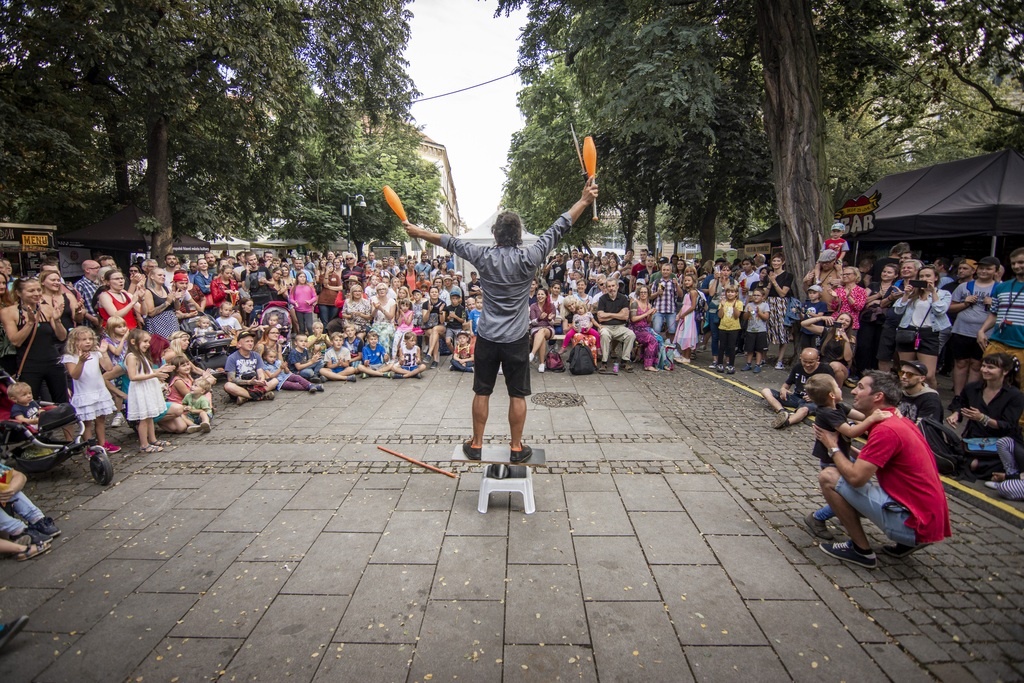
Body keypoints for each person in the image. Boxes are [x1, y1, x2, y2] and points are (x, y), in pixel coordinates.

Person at [403, 178, 598, 462]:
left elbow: (449, 241)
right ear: (519, 234)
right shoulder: (531, 255)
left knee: (482, 391)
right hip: (516, 338)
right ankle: (516, 447)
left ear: (495, 234)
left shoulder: (482, 255)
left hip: (488, 336)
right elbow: (560, 226)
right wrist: (584, 200)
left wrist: (418, 231)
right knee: (517, 395)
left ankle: (476, 444)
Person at [815, 371, 952, 567]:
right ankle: (906, 543)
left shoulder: (885, 430)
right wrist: (847, 450)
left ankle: (861, 551)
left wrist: (832, 447)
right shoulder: (896, 420)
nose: (853, 391)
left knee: (829, 476)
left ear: (878, 396)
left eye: (860, 387)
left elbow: (855, 478)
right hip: (927, 518)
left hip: (915, 523)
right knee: (849, 478)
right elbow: (871, 459)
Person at [802, 374, 888, 540]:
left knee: (857, 492)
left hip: (845, 455)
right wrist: (873, 418)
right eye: (837, 387)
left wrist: (876, 414)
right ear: (832, 395)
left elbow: (861, 417)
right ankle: (818, 517)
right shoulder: (828, 413)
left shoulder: (839, 407)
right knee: (850, 497)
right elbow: (851, 432)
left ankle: (845, 513)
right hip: (833, 462)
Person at [947, 352, 1024, 478]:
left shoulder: (1015, 395)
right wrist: (956, 414)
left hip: (1001, 444)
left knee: (974, 465)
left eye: (990, 367)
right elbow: (961, 404)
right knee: (955, 459)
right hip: (974, 439)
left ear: (1005, 371)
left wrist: (983, 418)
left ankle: (1008, 473)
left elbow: (1008, 425)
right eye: (983, 366)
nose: (984, 370)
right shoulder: (972, 388)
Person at [2, 278, 69, 402]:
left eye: (39, 290)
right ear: (18, 293)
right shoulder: (8, 312)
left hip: (52, 361)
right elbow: (16, 341)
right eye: (31, 291)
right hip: (29, 364)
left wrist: (57, 321)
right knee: (29, 402)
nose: (37, 293)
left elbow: (62, 337)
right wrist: (30, 323)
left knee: (62, 401)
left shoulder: (47, 309)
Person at [62, 326, 119, 453]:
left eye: (90, 339)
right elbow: (75, 375)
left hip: (99, 392)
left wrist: (104, 353)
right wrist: (81, 361)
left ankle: (102, 443)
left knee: (101, 419)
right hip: (84, 393)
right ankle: (91, 447)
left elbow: (109, 368)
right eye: (83, 339)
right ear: (74, 341)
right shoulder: (70, 357)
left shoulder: (96, 353)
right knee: (87, 423)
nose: (88, 342)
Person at [893, 265, 951, 388]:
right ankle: (905, 396)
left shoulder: (943, 293)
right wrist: (906, 294)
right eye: (921, 276)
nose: (924, 278)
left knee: (928, 375)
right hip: (908, 331)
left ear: (936, 277)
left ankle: (930, 397)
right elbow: (897, 310)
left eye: (928, 276)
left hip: (929, 333)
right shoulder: (913, 293)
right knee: (906, 372)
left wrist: (933, 292)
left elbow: (940, 310)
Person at [977, 247, 1024, 388]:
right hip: (998, 342)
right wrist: (982, 330)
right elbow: (994, 313)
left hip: (1021, 345)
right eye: (1013, 263)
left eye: (1021, 262)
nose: (1016, 266)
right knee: (988, 382)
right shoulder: (1002, 287)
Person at [124, 329, 173, 453]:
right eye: (145, 341)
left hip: (147, 388)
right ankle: (144, 444)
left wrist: (160, 370)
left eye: (148, 341)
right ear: (133, 342)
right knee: (144, 418)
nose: (148, 344)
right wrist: (154, 375)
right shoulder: (132, 357)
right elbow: (133, 376)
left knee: (150, 416)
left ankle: (153, 439)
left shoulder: (142, 355)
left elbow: (145, 372)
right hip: (140, 389)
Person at [761, 348, 835, 429]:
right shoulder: (798, 367)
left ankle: (786, 422)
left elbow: (832, 388)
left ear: (818, 359)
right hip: (796, 397)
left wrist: (816, 397)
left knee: (804, 410)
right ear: (800, 358)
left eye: (811, 362)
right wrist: (783, 389)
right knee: (766, 391)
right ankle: (781, 412)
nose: (807, 365)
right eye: (805, 361)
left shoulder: (825, 369)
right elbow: (787, 383)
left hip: (814, 401)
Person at [223, 331, 278, 404]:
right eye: (247, 341)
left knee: (275, 381)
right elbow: (231, 379)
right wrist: (248, 382)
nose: (250, 343)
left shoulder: (256, 355)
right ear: (239, 344)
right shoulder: (232, 358)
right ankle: (261, 396)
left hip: (255, 384)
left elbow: (260, 372)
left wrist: (261, 380)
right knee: (228, 386)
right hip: (241, 385)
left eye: (252, 341)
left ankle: (245, 397)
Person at [596, 277, 636, 374]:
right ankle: (604, 362)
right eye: (609, 286)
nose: (611, 288)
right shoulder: (602, 299)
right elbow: (600, 318)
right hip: (606, 327)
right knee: (604, 334)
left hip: (620, 327)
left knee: (631, 334)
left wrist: (608, 315)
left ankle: (625, 360)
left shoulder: (623, 298)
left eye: (613, 286)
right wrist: (618, 314)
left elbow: (625, 316)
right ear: (606, 288)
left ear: (617, 286)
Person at [741, 287, 769, 372]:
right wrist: (748, 312)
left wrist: (759, 312)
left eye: (758, 295)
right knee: (749, 349)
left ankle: (758, 364)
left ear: (762, 297)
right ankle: (748, 364)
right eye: (754, 295)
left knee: (759, 349)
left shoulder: (765, 305)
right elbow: (744, 317)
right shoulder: (749, 305)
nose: (756, 297)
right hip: (750, 330)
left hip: (761, 331)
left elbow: (766, 317)